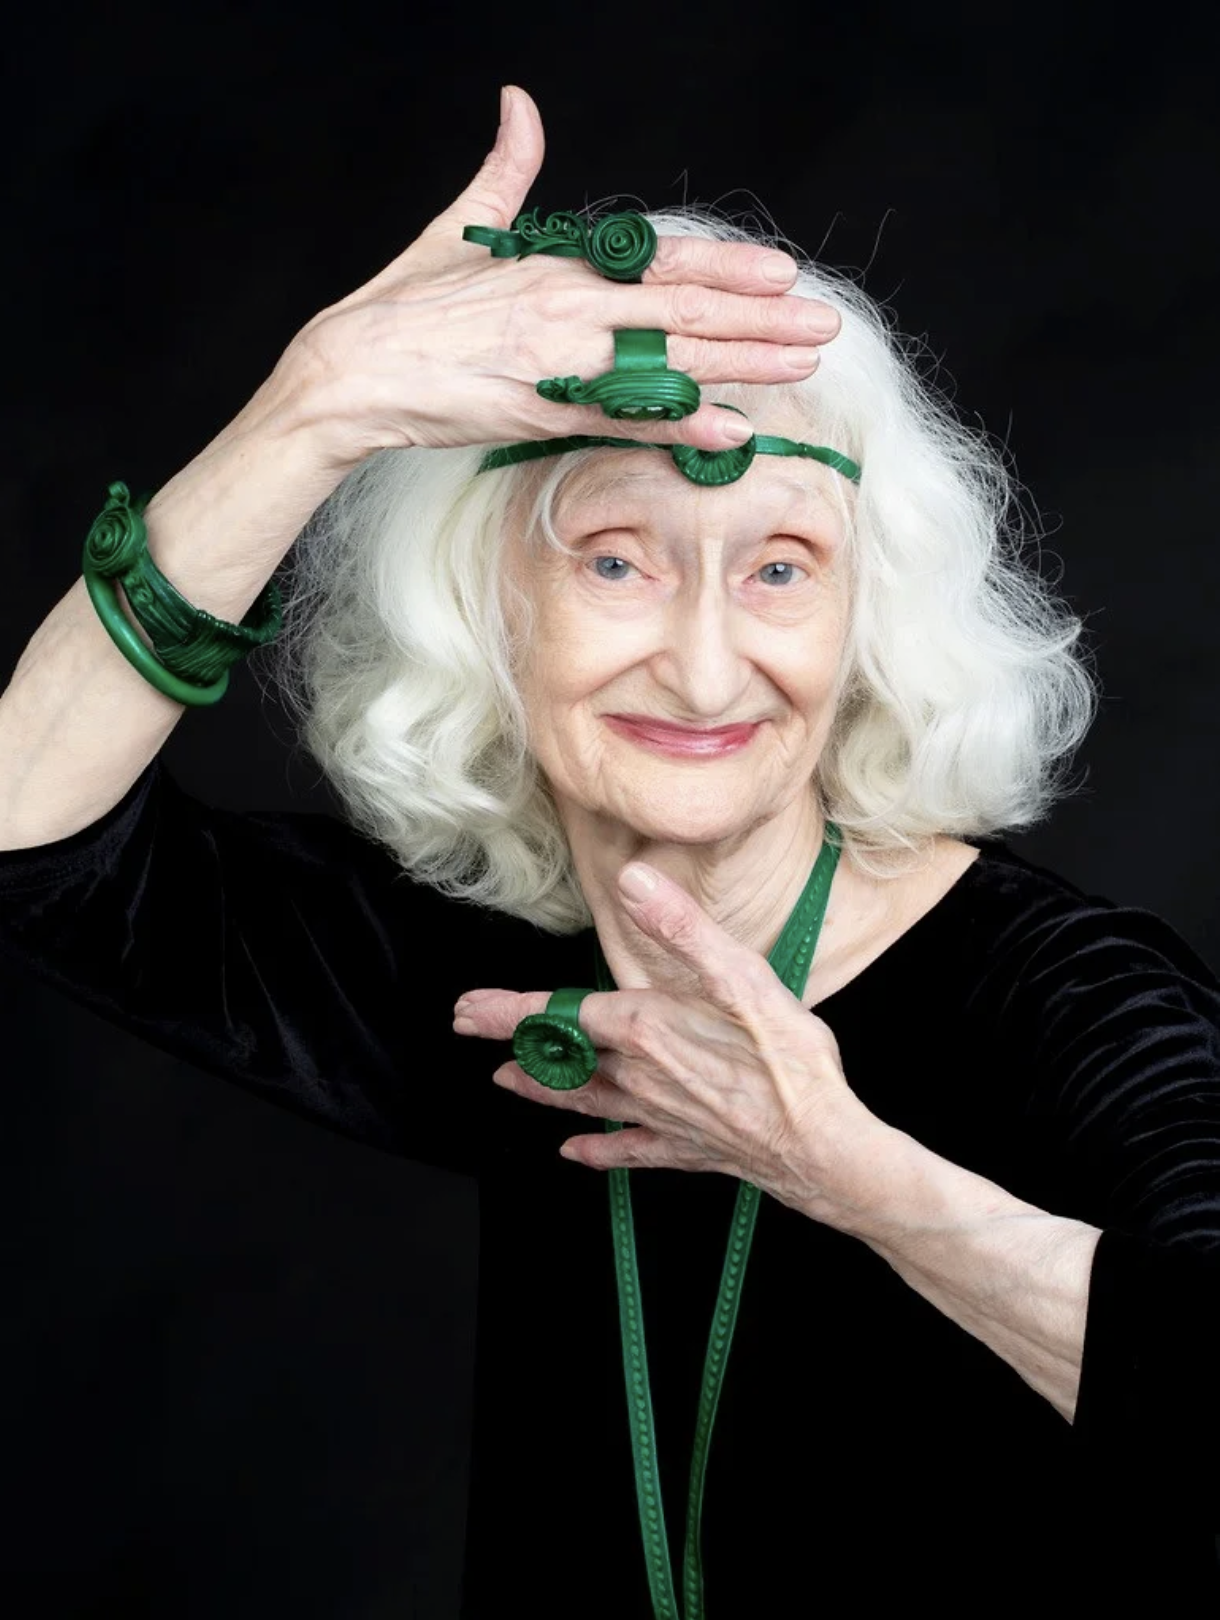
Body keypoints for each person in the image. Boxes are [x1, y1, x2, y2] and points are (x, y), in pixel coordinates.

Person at [0, 83, 1217, 1616]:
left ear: (867, 623)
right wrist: (315, 407)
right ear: (488, 605)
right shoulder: (508, 982)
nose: (705, 672)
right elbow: (28, 839)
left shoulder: (1071, 1003)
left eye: (781, 567)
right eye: (618, 560)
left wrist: (848, 1174)